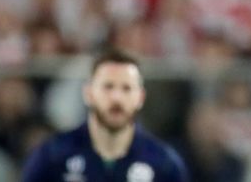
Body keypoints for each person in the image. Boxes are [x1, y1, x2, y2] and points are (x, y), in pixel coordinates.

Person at [20, 50, 188, 182]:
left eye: (126, 88)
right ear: (88, 93)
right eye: (108, 87)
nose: (116, 98)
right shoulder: (53, 156)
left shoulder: (163, 163)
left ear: (140, 98)